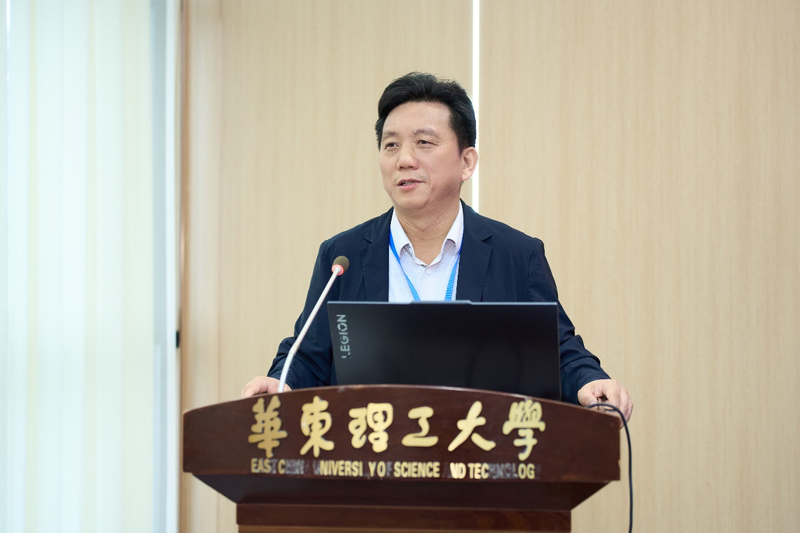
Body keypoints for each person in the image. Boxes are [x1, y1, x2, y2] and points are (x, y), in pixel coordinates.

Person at [242, 72, 633, 423]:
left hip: (481, 455)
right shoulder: (343, 256)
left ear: (467, 162)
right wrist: (281, 382)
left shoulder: (517, 255)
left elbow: (556, 349)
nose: (404, 159)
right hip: (373, 459)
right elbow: (308, 354)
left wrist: (590, 381)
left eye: (424, 143)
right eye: (390, 145)